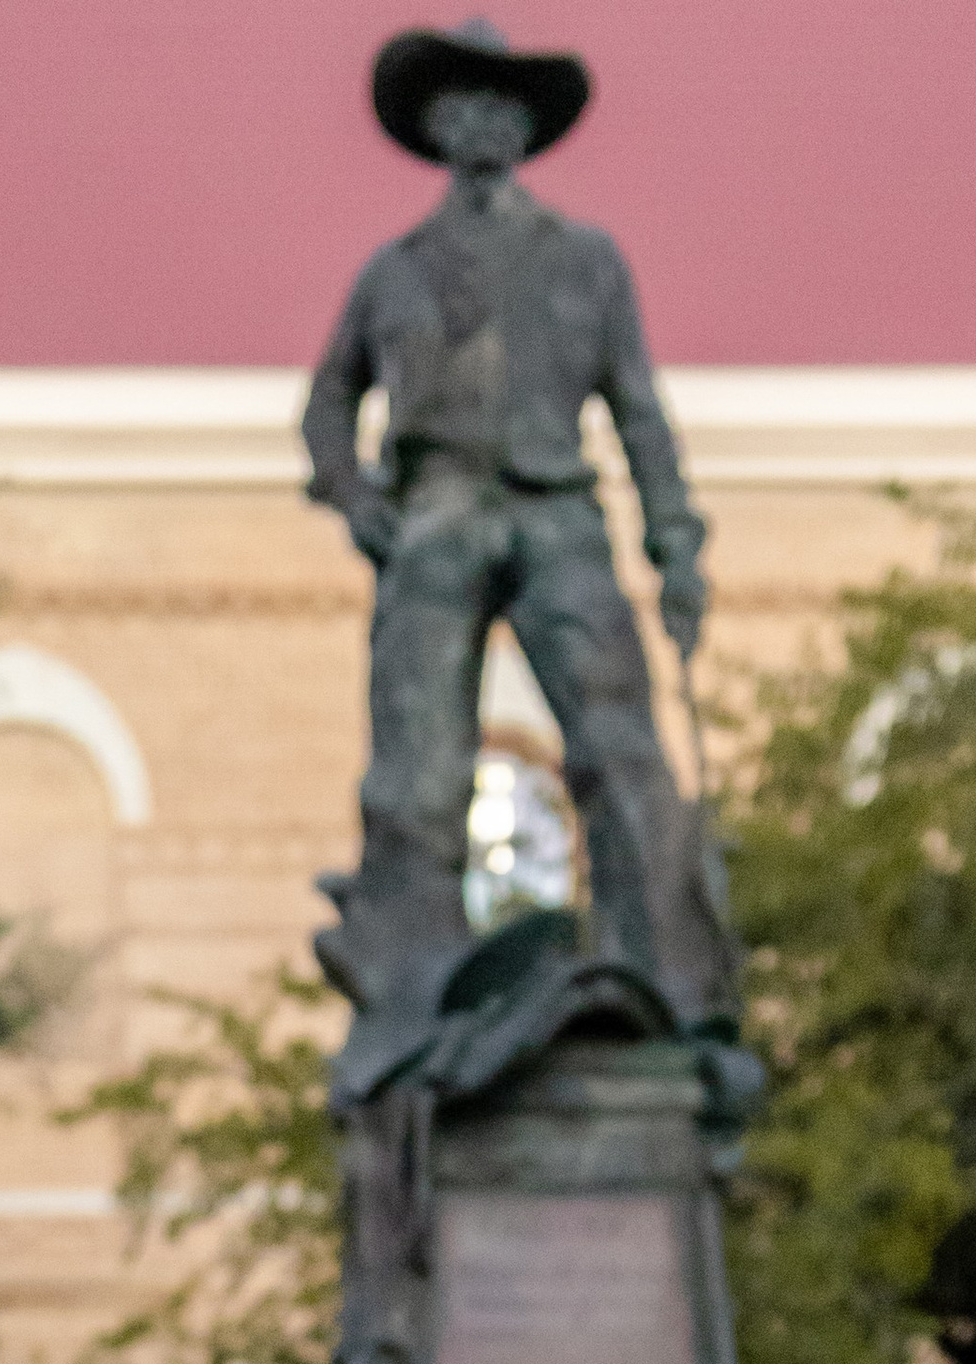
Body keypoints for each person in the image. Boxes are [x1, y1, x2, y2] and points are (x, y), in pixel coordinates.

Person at [303, 18, 734, 1031]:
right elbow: (327, 406)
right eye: (463, 104)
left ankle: (665, 981)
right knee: (416, 762)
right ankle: (412, 978)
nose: (484, 122)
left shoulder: (585, 261)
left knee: (621, 752)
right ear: (436, 126)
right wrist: (357, 496)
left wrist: (674, 538)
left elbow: (637, 412)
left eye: (505, 106)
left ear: (527, 128)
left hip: (557, 516)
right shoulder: (393, 271)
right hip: (437, 515)